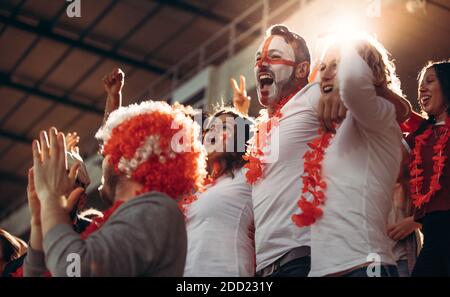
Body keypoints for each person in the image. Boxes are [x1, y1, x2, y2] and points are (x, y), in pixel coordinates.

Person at [27, 100, 206, 276]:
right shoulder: (133, 217)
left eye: (107, 153)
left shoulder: (156, 210)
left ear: (128, 156)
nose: (103, 163)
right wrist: (40, 223)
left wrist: (52, 199)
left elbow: (76, 270)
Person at [305, 34, 411, 277]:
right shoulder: (332, 133)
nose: (327, 73)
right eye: (323, 68)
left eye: (336, 64)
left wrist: (346, 34)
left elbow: (353, 81)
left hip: (365, 266)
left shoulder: (380, 116)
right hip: (321, 270)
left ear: (373, 74)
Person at [234, 24, 323, 277]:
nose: (262, 64)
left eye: (274, 57)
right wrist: (241, 115)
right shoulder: (265, 127)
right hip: (264, 267)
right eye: (258, 59)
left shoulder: (312, 96)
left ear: (302, 69)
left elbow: (369, 104)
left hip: (301, 256)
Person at [183, 107, 255, 277]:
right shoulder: (198, 187)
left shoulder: (248, 175)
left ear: (239, 140)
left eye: (225, 127)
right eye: (210, 127)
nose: (213, 132)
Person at [407, 60, 450, 276]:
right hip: (433, 232)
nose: (422, 88)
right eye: (421, 84)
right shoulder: (419, 135)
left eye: (430, 81)